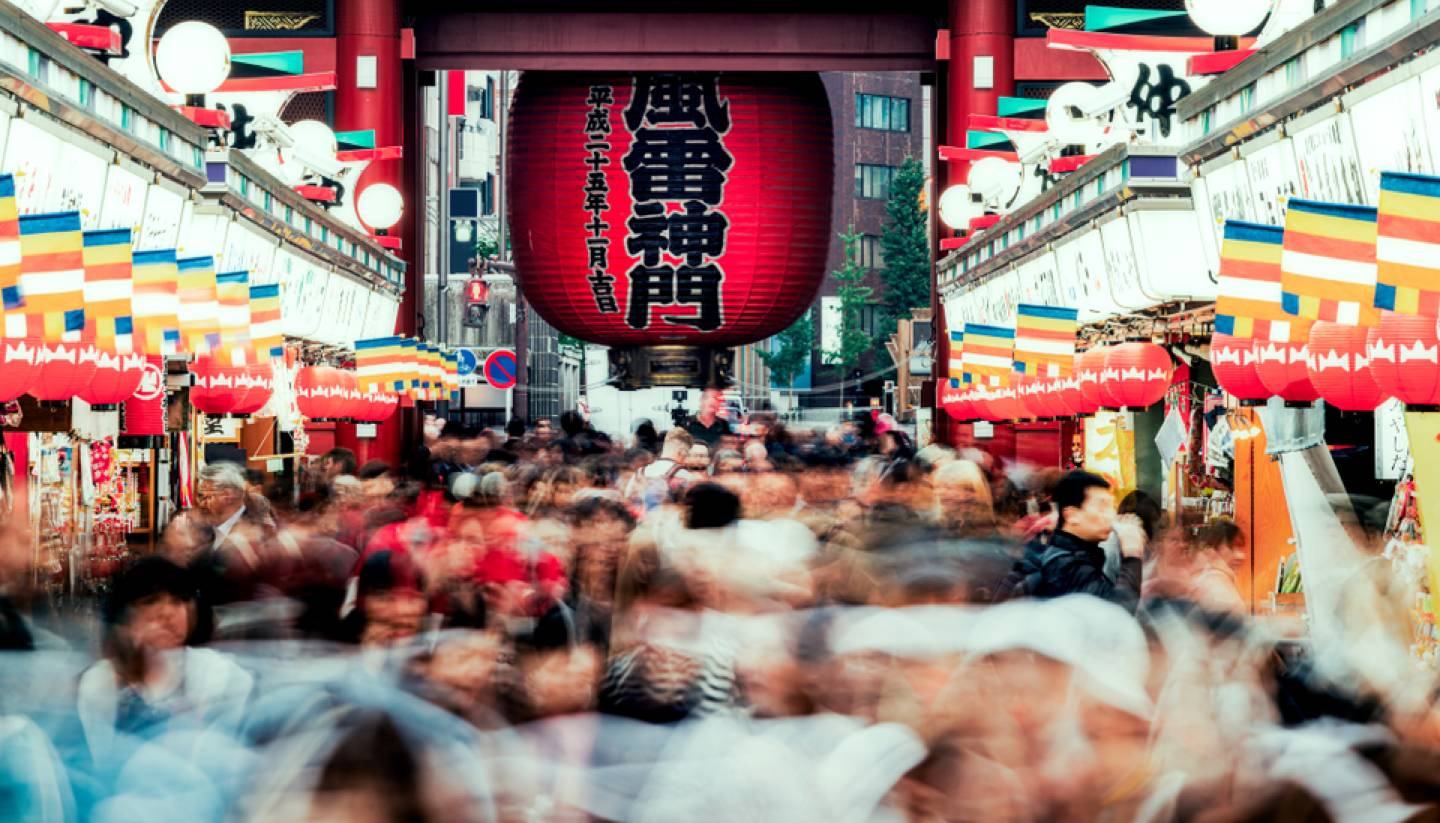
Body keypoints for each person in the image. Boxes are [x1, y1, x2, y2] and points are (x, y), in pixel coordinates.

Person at [1031, 471, 1146, 612]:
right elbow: (1117, 613)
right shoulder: (1066, 566)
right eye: (1102, 507)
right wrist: (1132, 554)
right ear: (1072, 516)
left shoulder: (1078, 557)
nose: (1111, 516)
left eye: (1112, 506)